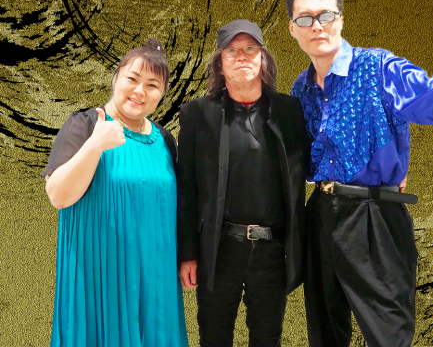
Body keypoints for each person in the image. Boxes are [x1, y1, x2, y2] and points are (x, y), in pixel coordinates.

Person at [286, 0, 433, 347]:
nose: (317, 26)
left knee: (388, 332)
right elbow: (301, 159)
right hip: (321, 215)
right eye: (306, 19)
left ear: (341, 19)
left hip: (374, 215)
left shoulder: (377, 67)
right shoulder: (301, 88)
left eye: (326, 15)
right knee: (324, 331)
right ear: (293, 29)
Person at [42, 39, 188, 347]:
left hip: (156, 282)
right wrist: (96, 145)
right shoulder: (84, 124)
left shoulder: (165, 140)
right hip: (98, 277)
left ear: (161, 94)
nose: (139, 91)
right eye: (132, 79)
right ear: (116, 77)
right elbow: (58, 195)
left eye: (152, 85)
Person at [177, 20, 308, 347]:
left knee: (268, 339)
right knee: (213, 337)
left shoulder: (289, 111)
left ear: (263, 58)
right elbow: (187, 189)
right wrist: (188, 253)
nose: (242, 56)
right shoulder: (197, 113)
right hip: (219, 249)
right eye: (232, 50)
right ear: (219, 64)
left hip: (273, 250)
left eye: (250, 48)